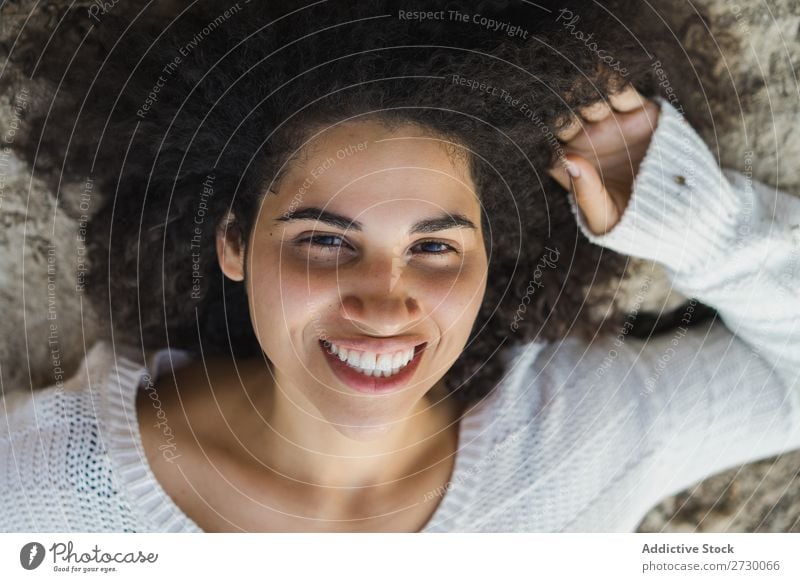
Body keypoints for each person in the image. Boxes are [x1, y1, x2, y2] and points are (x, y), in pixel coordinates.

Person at [1, 1, 798, 532]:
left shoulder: (580, 443)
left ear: (493, 257)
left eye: (435, 247)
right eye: (324, 240)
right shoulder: (36, 489)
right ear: (233, 243)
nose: (385, 304)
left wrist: (697, 219)